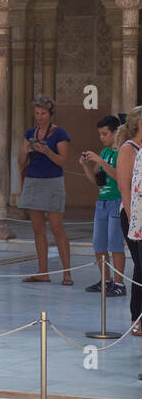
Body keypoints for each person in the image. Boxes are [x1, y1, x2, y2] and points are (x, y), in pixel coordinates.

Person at [19, 95, 73, 285]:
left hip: (52, 181)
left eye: (43, 113)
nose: (39, 117)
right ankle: (43, 271)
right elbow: (20, 162)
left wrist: (47, 152)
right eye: (37, 113)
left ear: (50, 114)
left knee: (57, 228)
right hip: (33, 180)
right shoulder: (30, 132)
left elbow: (63, 161)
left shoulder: (60, 134)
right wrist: (26, 150)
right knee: (37, 229)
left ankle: (67, 273)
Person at [80, 114, 127, 297]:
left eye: (105, 134)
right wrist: (86, 165)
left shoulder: (122, 152)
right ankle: (105, 280)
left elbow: (119, 177)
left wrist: (101, 162)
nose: (101, 138)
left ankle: (119, 283)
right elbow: (96, 181)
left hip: (117, 201)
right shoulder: (105, 152)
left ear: (116, 132)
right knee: (99, 243)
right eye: (99, 134)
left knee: (115, 244)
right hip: (102, 202)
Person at [115, 107, 142, 336]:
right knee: (140, 268)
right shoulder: (128, 149)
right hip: (133, 215)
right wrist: (135, 220)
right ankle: (137, 318)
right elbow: (124, 186)